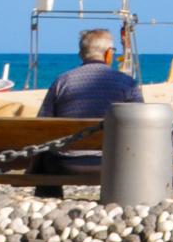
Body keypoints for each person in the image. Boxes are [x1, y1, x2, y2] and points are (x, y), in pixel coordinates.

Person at [33, 30, 145, 196]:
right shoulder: (126, 83)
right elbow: (140, 123)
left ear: (80, 54)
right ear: (108, 54)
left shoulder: (62, 81)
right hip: (114, 164)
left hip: (65, 164)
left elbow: (42, 124)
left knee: (45, 152)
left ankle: (49, 200)